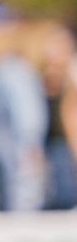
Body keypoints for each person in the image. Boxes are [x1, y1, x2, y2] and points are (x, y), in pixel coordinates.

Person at [0, 50, 49, 214]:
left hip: (5, 148)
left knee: (11, 198)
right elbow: (27, 114)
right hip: (20, 148)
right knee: (25, 199)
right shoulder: (17, 72)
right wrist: (32, 143)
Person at [41, 27, 77, 211]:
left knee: (65, 195)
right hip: (48, 143)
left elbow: (70, 113)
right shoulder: (44, 76)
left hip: (64, 143)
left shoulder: (71, 77)